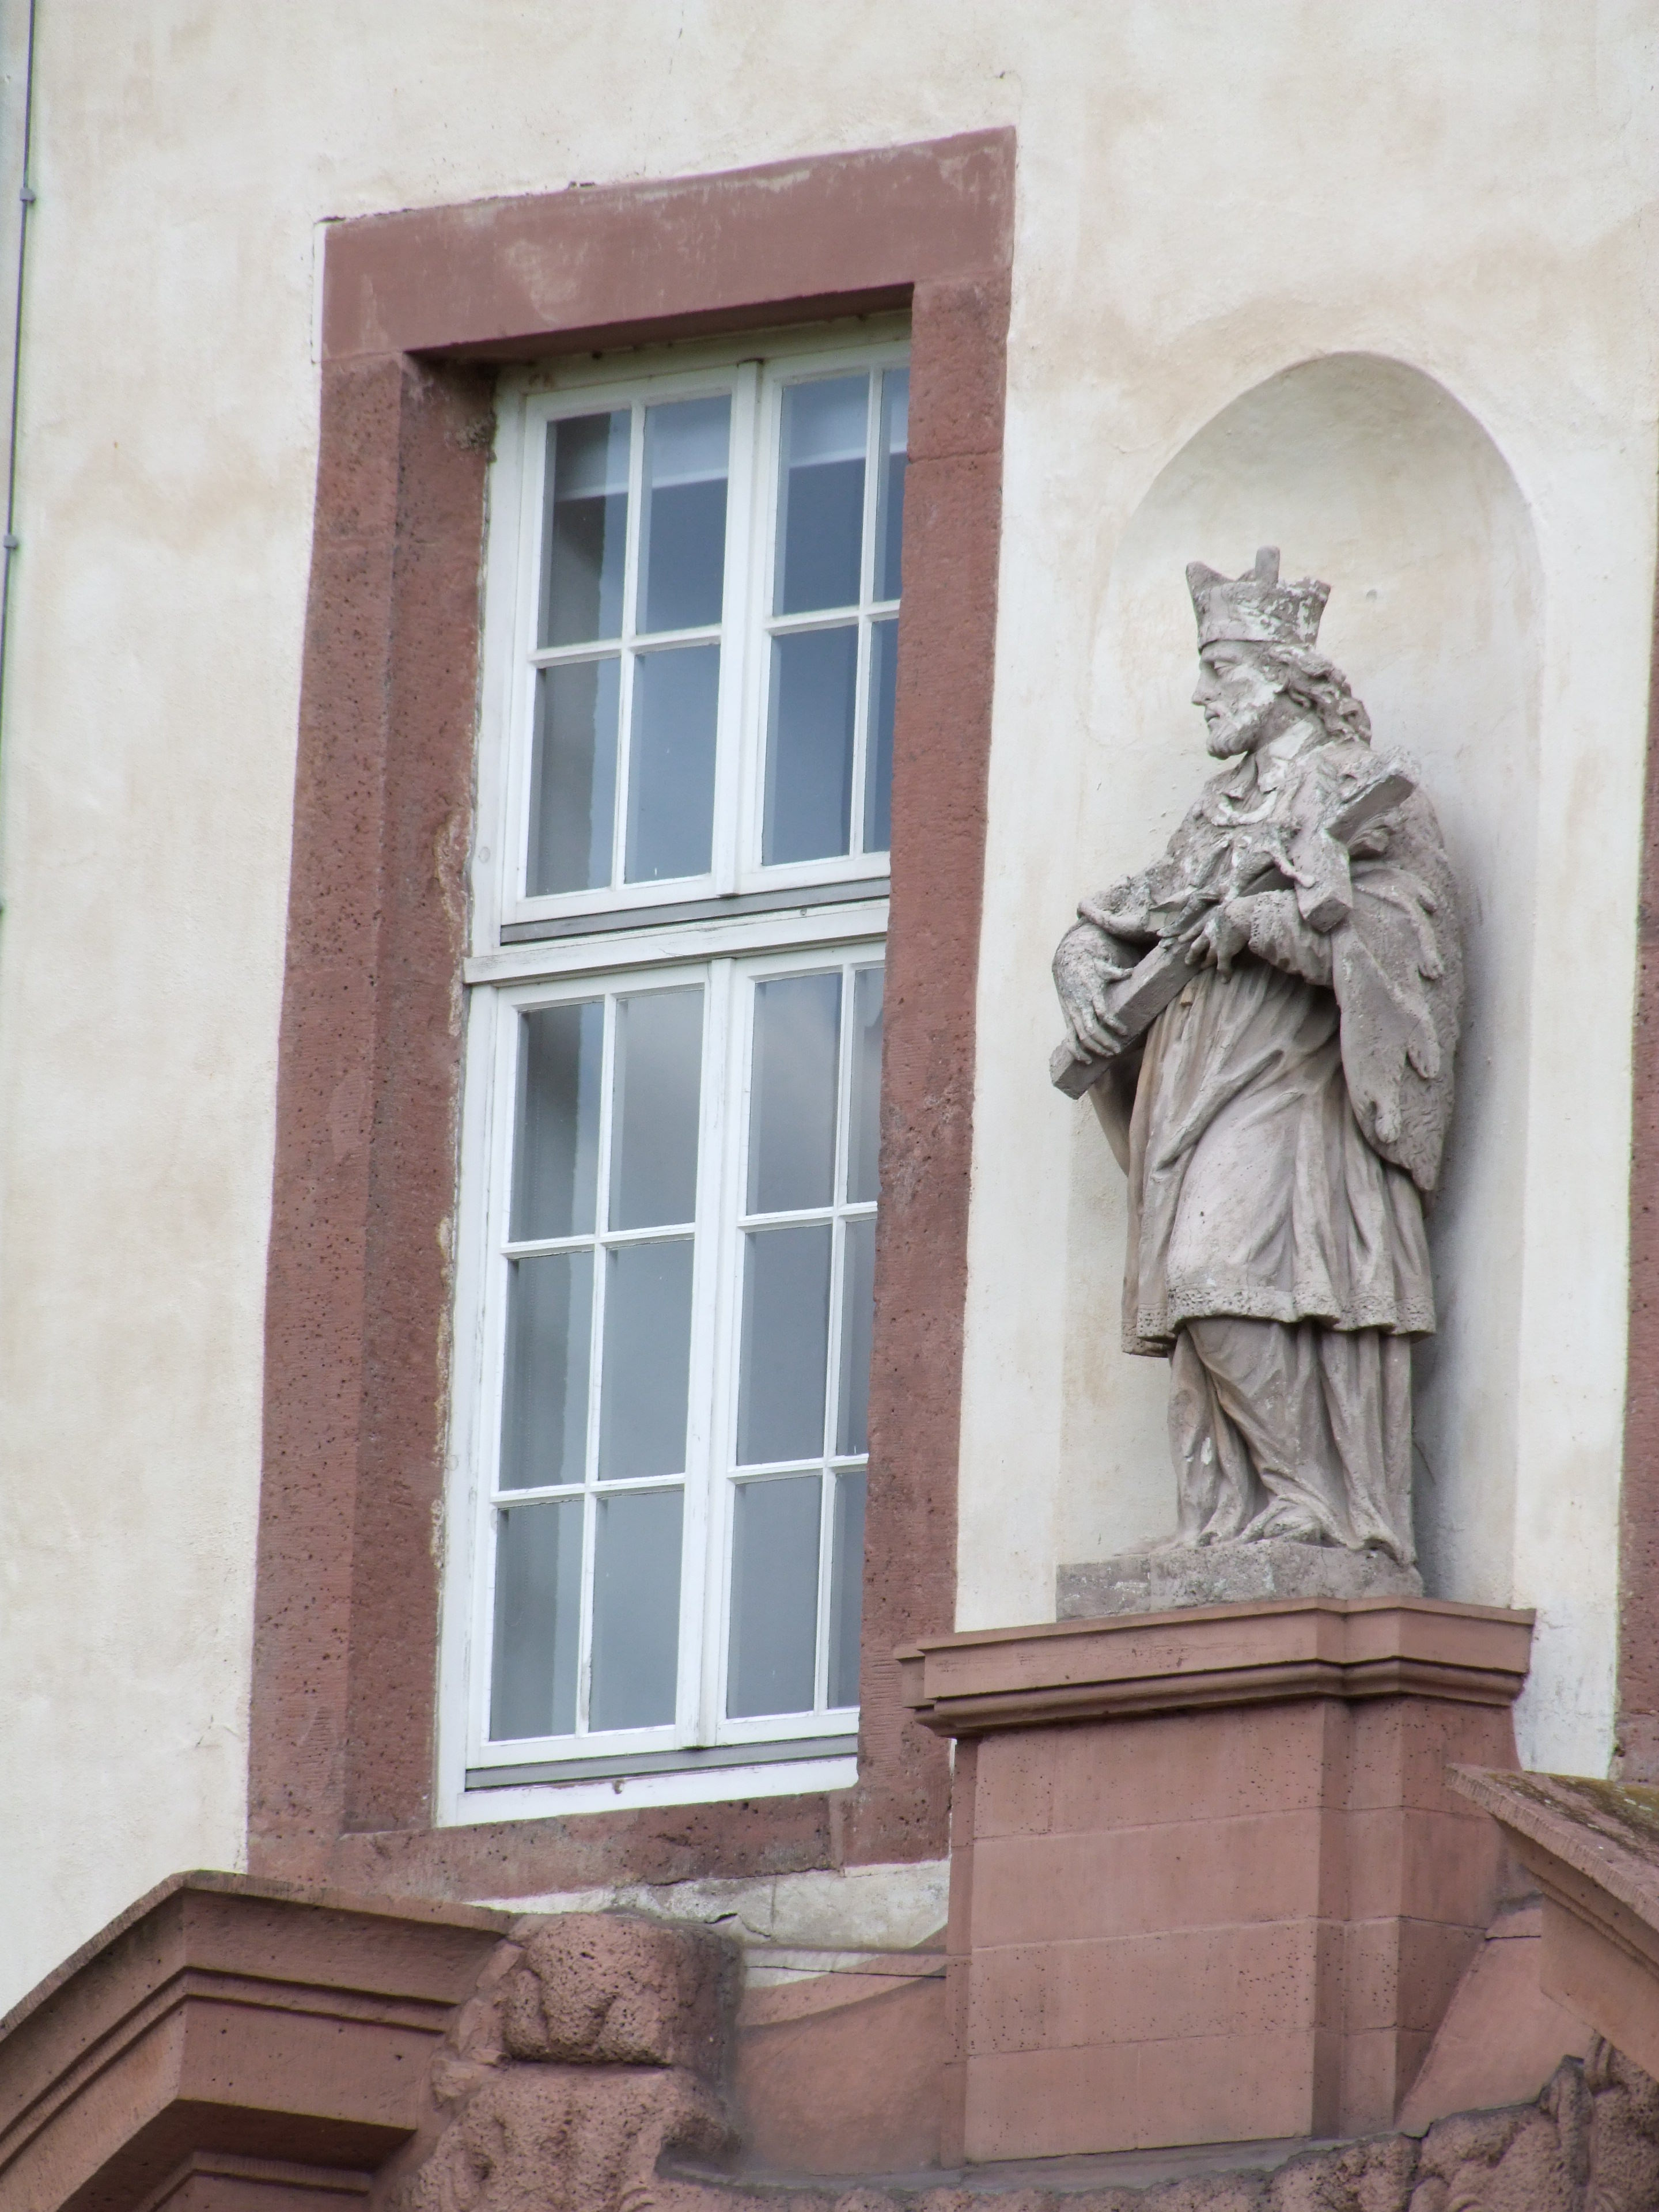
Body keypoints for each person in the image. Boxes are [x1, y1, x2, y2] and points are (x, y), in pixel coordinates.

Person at [1052, 550, 1462, 1565]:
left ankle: (1314, 1504)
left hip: (1295, 1086)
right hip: (1194, 1079)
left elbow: (1409, 938)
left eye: (1220, 670)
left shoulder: (1361, 792)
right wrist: (1083, 975)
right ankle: (1233, 1519)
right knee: (1204, 1298)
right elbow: (1121, 919)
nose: (1202, 695)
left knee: (1215, 1273)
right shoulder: (1216, 811)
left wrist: (1267, 925)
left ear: (1286, 681)